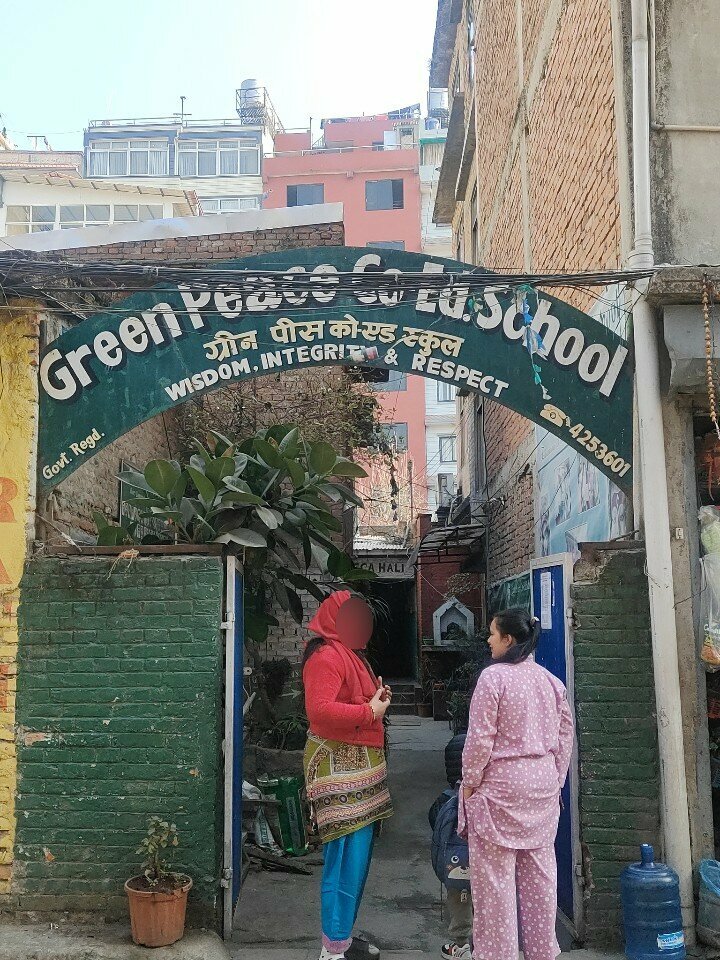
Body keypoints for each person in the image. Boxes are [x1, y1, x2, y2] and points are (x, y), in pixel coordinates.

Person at [460, 608, 574, 960]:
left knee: (495, 889)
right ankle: (542, 953)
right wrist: (555, 780)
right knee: (541, 882)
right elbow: (565, 735)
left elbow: (480, 739)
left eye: (492, 634)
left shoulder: (493, 678)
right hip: (542, 792)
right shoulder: (551, 682)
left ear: (508, 639)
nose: (489, 641)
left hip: (499, 792)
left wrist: (469, 783)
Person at [302, 591, 394, 960]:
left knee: (357, 858)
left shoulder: (351, 656)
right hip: (337, 768)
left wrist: (376, 700)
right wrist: (369, 712)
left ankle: (339, 937)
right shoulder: (326, 657)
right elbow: (320, 711)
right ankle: (332, 949)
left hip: (359, 767)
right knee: (343, 858)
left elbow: (355, 703)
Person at [428, 732, 473, 960]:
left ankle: (461, 944)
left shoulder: (446, 799)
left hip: (456, 868)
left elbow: (434, 822)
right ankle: (486, 944)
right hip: (487, 864)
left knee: (459, 904)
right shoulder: (487, 795)